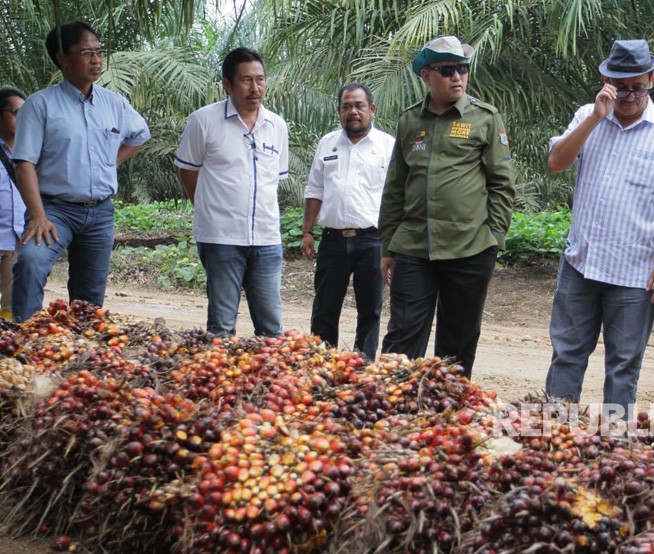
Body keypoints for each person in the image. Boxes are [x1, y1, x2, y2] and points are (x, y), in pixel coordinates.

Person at [544, 39, 654, 418]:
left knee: (623, 364)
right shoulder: (587, 115)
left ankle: (614, 446)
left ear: (652, 79)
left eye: (638, 86)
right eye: (621, 85)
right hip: (581, 262)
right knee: (566, 354)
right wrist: (596, 118)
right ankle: (553, 439)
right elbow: (557, 162)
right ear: (605, 80)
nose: (629, 95)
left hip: (635, 273)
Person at [379, 35, 516, 378]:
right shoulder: (410, 121)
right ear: (426, 76)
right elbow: (396, 185)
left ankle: (447, 417)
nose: (458, 77)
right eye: (447, 70)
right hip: (413, 246)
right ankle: (393, 408)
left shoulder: (485, 118)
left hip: (470, 248)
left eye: (462, 69)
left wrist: (493, 238)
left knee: (457, 343)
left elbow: (502, 183)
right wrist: (387, 245)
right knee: (403, 336)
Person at [12, 22, 151, 322]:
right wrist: (38, 216)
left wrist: (106, 163)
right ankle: (23, 339)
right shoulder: (39, 105)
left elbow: (140, 135)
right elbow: (23, 163)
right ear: (62, 58)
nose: (96, 59)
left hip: (100, 213)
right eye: (86, 52)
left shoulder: (114, 103)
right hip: (53, 210)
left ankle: (78, 352)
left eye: (99, 51)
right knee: (31, 263)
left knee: (89, 300)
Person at [175, 47, 289, 337]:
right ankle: (221, 381)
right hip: (221, 238)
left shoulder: (277, 125)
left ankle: (266, 381)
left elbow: (274, 179)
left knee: (271, 329)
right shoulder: (203, 121)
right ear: (227, 84)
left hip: (266, 238)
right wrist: (206, 208)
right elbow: (188, 171)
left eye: (260, 79)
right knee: (221, 328)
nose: (255, 88)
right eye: (246, 80)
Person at [301, 83, 395, 359]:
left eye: (359, 106)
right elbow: (314, 189)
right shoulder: (327, 143)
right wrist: (307, 231)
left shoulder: (388, 146)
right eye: (346, 106)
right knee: (324, 308)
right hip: (332, 241)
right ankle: (322, 365)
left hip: (372, 241)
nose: (353, 111)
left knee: (370, 311)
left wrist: (393, 244)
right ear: (339, 111)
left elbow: (396, 197)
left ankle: (362, 367)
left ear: (372, 109)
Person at [0, 88, 26, 321]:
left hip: (16, 238)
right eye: (15, 112)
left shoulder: (29, 154)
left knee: (11, 307)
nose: (22, 117)